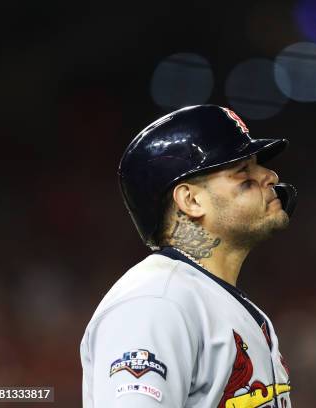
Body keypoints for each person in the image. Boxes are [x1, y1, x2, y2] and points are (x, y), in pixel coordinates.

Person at [80, 105, 297, 408]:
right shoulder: (156, 301)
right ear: (191, 200)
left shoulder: (213, 300)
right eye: (243, 172)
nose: (269, 175)